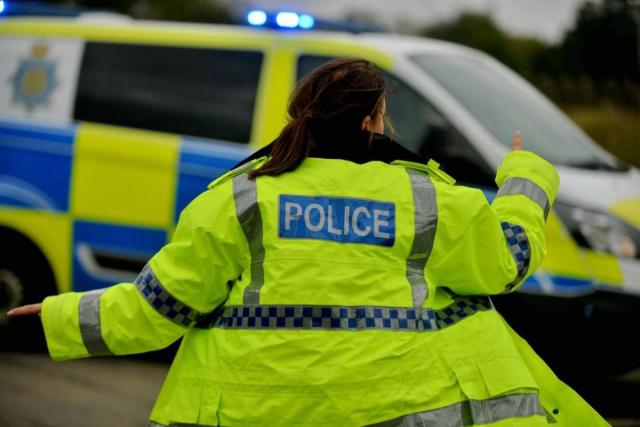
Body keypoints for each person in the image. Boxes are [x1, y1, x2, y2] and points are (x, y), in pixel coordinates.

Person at [9, 59, 607, 426]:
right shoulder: (428, 199)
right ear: (375, 118)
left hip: (251, 413)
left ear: (301, 115)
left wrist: (60, 316)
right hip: (391, 409)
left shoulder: (239, 198)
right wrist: (527, 177)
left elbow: (159, 309)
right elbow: (506, 264)